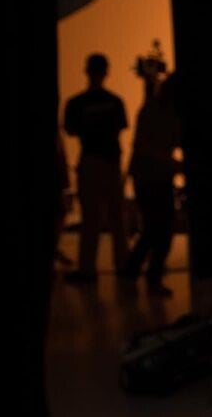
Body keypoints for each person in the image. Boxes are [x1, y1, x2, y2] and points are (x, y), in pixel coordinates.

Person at [62, 52, 128, 282]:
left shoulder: (76, 103)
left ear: (87, 71)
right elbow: (120, 127)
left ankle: (88, 269)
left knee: (91, 218)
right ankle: (122, 265)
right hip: (110, 162)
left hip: (90, 161)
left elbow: (70, 129)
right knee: (116, 217)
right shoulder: (115, 102)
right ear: (106, 72)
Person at [123, 59, 181, 297]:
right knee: (161, 229)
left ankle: (134, 270)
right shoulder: (155, 112)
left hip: (154, 177)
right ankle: (150, 275)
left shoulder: (162, 112)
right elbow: (143, 145)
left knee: (154, 229)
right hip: (150, 178)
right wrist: (170, 162)